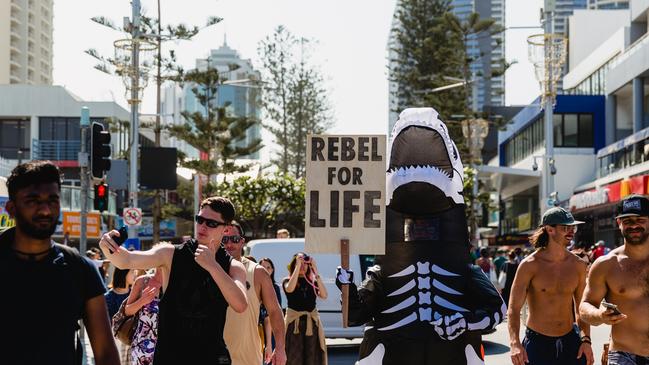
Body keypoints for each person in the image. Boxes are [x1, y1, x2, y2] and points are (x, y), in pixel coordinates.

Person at [99, 196, 248, 365]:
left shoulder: (233, 266)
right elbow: (126, 260)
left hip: (212, 357)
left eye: (211, 223)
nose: (203, 226)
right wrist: (107, 245)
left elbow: (241, 304)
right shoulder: (170, 254)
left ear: (226, 229)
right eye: (200, 220)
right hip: (170, 357)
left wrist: (213, 266)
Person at [0, 161, 119, 365]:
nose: (45, 210)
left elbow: (106, 354)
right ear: (11, 208)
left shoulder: (80, 269)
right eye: (33, 200)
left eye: (52, 200)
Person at [508, 206, 593, 365]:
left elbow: (581, 308)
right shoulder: (529, 265)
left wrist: (586, 340)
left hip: (570, 341)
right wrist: (515, 343)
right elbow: (513, 308)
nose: (571, 231)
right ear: (549, 229)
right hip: (537, 344)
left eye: (572, 227)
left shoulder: (578, 265)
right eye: (565, 228)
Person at [579, 194, 649, 364]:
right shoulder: (606, 265)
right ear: (619, 224)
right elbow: (584, 306)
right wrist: (599, 315)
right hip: (625, 356)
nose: (634, 225)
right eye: (627, 221)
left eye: (640, 219)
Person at [223, 223, 287, 365]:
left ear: (242, 241)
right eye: (224, 240)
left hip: (248, 358)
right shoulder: (209, 269)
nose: (229, 244)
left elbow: (275, 312)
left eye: (234, 239)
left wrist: (280, 348)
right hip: (211, 356)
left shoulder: (257, 272)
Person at [284, 252, 328, 365]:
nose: (303, 265)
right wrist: (298, 266)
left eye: (305, 263)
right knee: (294, 358)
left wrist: (316, 271)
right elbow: (289, 289)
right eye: (300, 263)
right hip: (294, 325)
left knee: (312, 358)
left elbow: (324, 295)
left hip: (311, 325)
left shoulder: (313, 282)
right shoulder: (287, 281)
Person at [113, 268, 162, 365]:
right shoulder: (143, 281)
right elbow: (127, 311)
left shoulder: (180, 283)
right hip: (143, 349)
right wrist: (143, 301)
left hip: (171, 345)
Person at [105, 267, 137, 363]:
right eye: (132, 271)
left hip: (134, 342)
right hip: (116, 342)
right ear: (123, 273)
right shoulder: (108, 297)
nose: (135, 274)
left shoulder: (136, 293)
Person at [259, 257, 283, 361]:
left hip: (271, 331)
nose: (265, 270)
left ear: (272, 270)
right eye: (263, 267)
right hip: (257, 328)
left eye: (268, 267)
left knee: (270, 359)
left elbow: (275, 313)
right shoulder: (254, 286)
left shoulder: (275, 288)